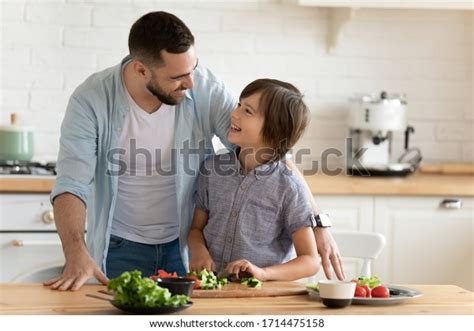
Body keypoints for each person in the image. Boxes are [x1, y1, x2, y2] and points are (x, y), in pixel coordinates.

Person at [44, 11, 344, 291]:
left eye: (193, 69)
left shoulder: (203, 87)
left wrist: (315, 222)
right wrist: (75, 252)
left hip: (185, 249)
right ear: (141, 69)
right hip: (121, 247)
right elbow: (72, 184)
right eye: (177, 78)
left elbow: (269, 154)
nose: (190, 83)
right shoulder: (91, 100)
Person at [188, 79, 321, 281]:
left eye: (247, 111)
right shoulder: (212, 169)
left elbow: (310, 261)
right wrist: (198, 251)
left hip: (261, 296)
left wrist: (263, 274)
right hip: (212, 289)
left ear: (274, 129)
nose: (234, 113)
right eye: (239, 105)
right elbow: (196, 229)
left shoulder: (289, 187)